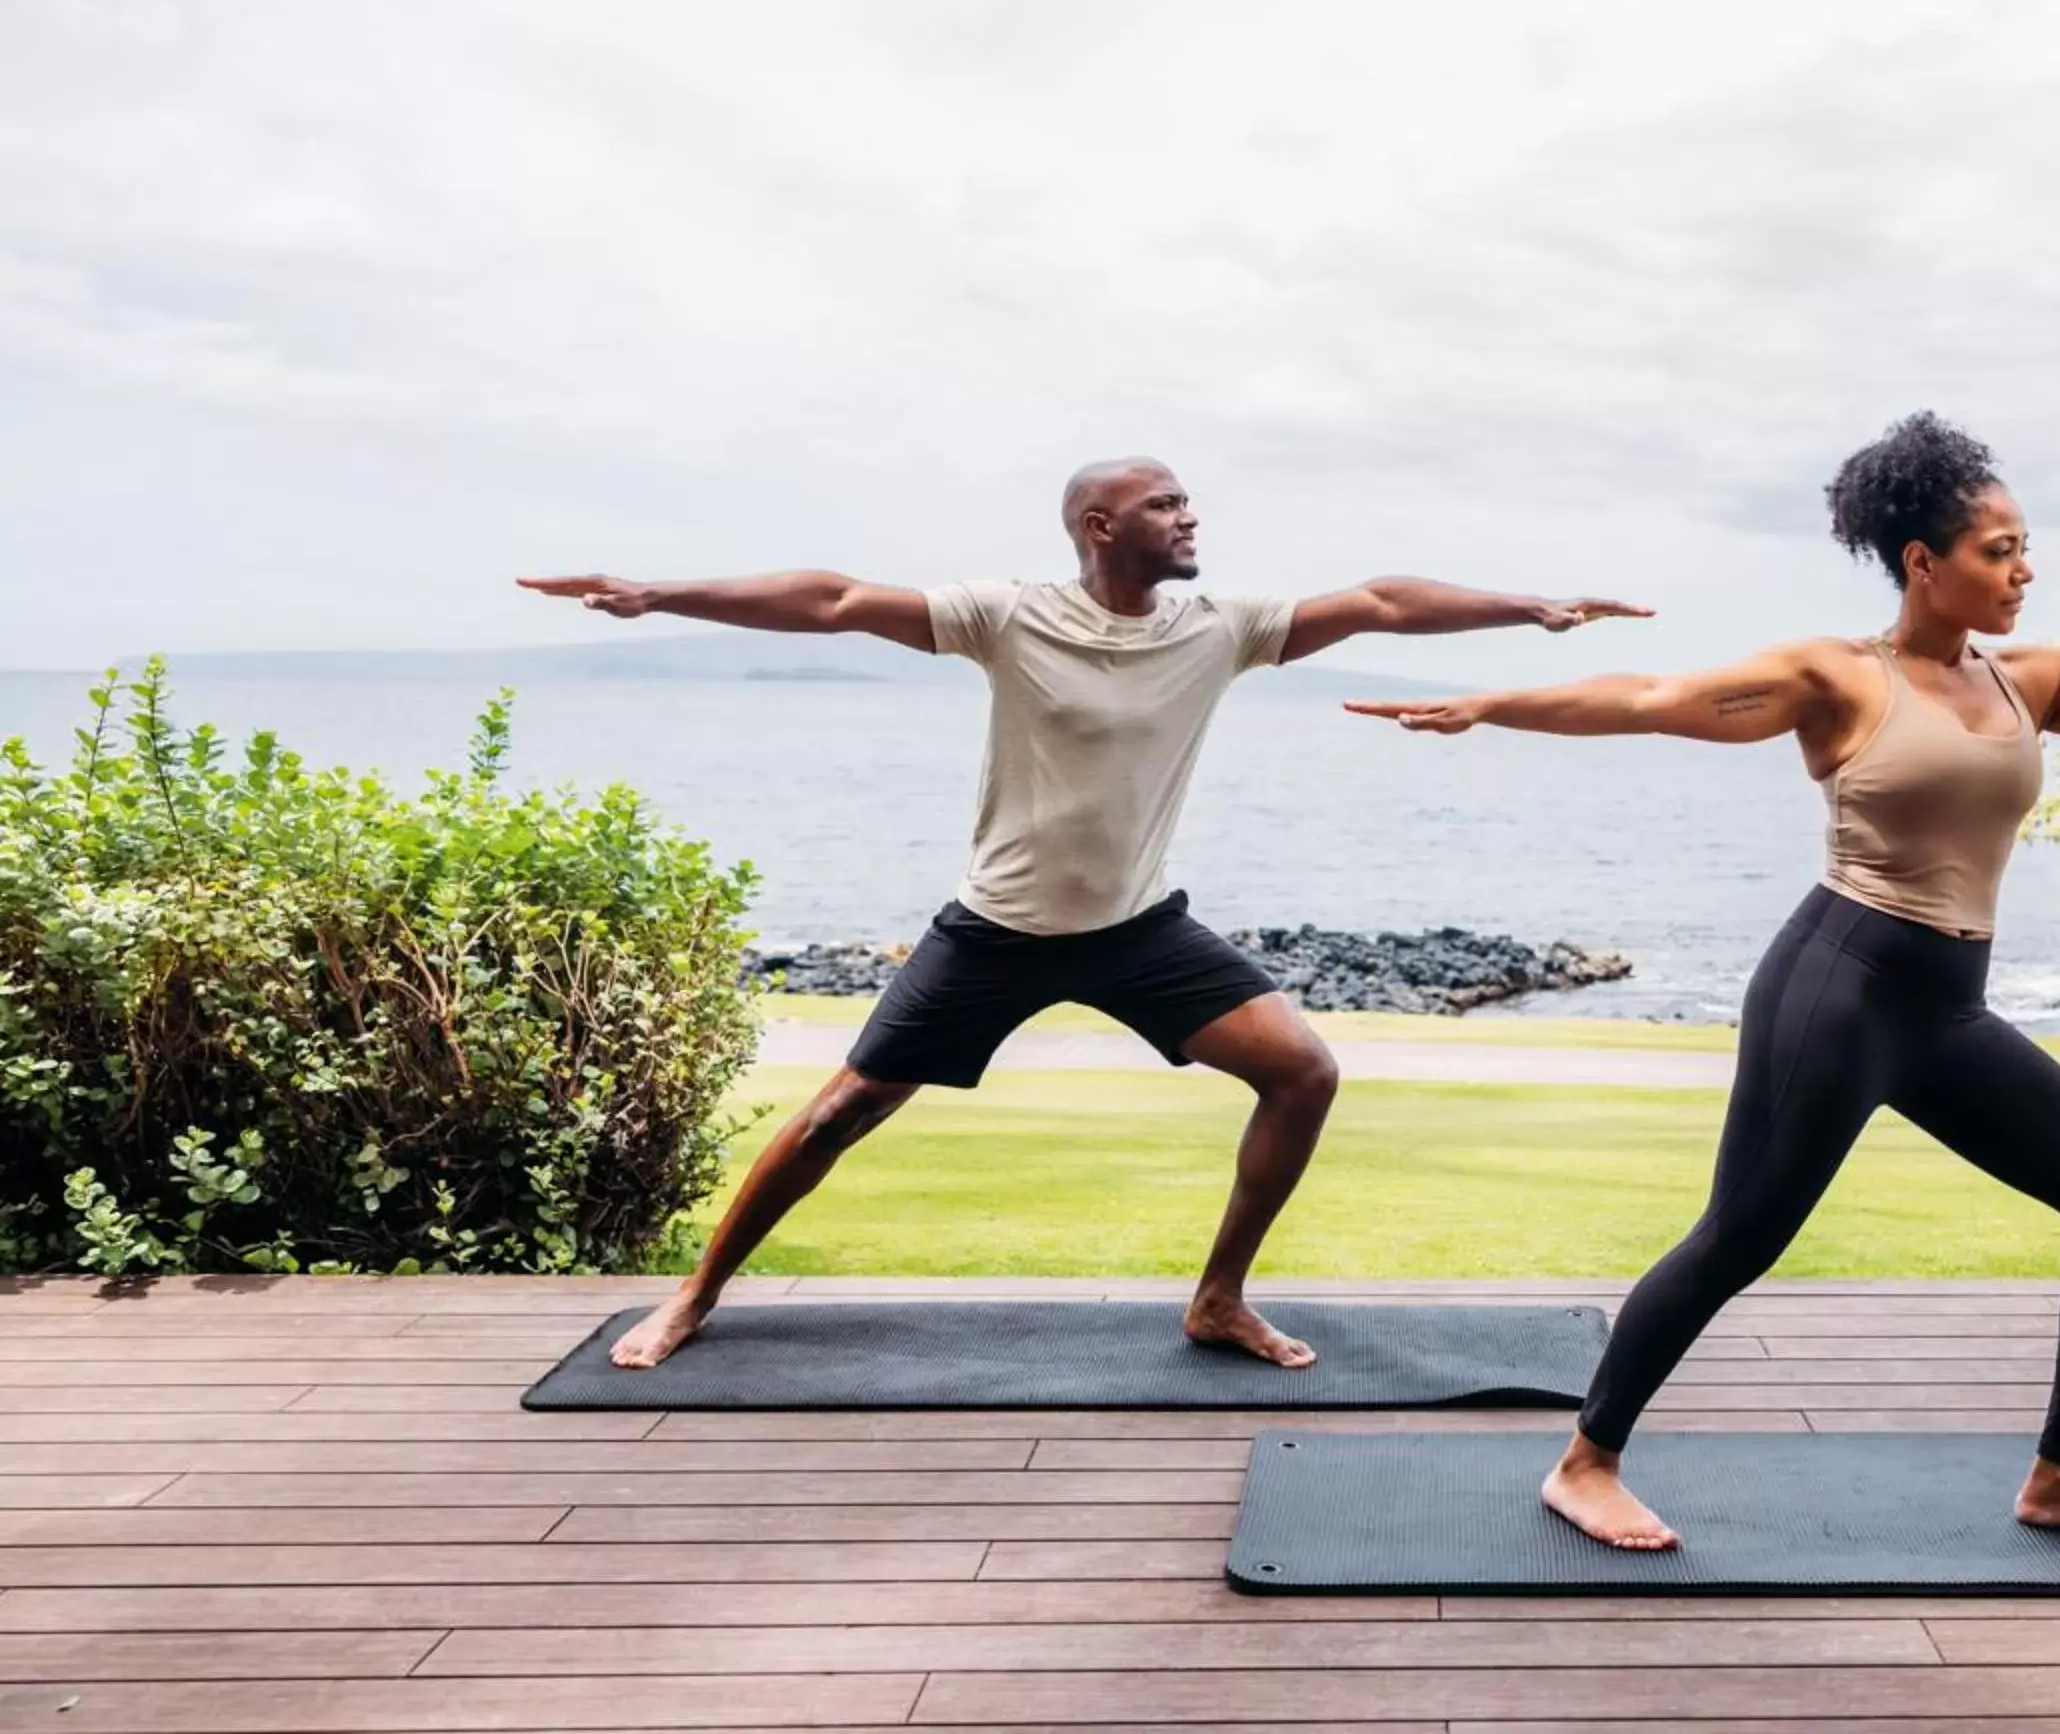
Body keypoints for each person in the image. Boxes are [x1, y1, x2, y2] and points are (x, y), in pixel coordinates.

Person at [1347, 412, 2060, 1549]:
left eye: (2024, 548)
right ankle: (1585, 1462)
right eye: (1998, 549)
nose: (2024, 570)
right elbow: (1654, 700)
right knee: (1740, 1236)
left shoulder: (2034, 682)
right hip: (1839, 986)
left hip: (1947, 1010)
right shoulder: (1839, 677)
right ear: (1924, 560)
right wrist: (1493, 703)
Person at [523, 456, 1647, 1373]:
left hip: (1138, 930)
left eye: (1188, 499)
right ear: (1100, 524)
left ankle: (1217, 1300)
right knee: (837, 1116)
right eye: (1165, 502)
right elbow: (836, 600)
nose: (1190, 513)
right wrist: (658, 593)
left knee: (1303, 1069)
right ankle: (694, 1298)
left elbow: (1382, 601)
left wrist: (1530, 605)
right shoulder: (1008, 616)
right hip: (995, 932)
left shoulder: (1220, 624)